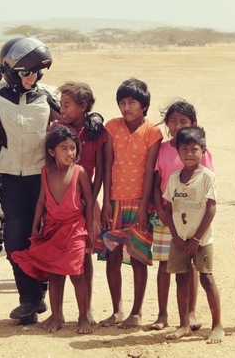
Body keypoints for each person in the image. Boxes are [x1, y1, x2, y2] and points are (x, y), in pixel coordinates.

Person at [0, 37, 102, 325]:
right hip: (11, 177)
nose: (34, 78)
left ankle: (39, 299)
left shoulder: (46, 95)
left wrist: (96, 118)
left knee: (45, 238)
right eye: (27, 72)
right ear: (10, 71)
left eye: (38, 72)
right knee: (15, 240)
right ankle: (30, 299)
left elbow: (74, 110)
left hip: (43, 178)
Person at [12, 124, 96, 334]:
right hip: (52, 230)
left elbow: (89, 202)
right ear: (51, 152)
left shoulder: (79, 172)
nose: (70, 153)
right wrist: (35, 227)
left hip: (75, 229)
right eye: (64, 148)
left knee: (77, 275)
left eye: (73, 148)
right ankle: (57, 317)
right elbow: (41, 200)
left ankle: (84, 317)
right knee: (55, 275)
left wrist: (90, 229)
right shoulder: (46, 172)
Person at [94, 78, 162, 328]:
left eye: (132, 102)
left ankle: (137, 312)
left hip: (140, 203)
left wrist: (144, 207)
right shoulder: (112, 127)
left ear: (144, 105)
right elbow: (108, 166)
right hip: (115, 202)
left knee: (138, 257)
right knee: (112, 255)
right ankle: (117, 310)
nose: (126, 108)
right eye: (122, 103)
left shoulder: (153, 132)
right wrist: (106, 202)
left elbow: (150, 170)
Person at [151, 100, 213, 330]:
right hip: (166, 215)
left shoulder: (200, 151)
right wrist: (160, 210)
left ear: (193, 124)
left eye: (183, 121)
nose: (177, 126)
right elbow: (157, 182)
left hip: (193, 218)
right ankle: (162, 314)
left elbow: (207, 186)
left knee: (191, 266)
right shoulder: (162, 149)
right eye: (173, 121)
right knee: (164, 264)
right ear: (167, 124)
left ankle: (191, 314)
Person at [49, 82, 106, 327]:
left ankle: (86, 310)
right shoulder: (57, 129)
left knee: (84, 256)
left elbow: (100, 170)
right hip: (58, 203)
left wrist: (91, 204)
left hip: (85, 202)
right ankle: (57, 313)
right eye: (61, 104)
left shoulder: (96, 132)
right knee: (56, 256)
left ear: (83, 107)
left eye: (67, 105)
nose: (62, 109)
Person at [163, 126, 224, 343]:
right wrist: (176, 237)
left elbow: (211, 209)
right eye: (184, 149)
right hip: (179, 240)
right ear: (177, 151)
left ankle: (217, 325)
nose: (189, 153)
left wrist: (196, 239)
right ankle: (183, 325)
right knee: (181, 279)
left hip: (202, 240)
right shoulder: (173, 179)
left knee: (206, 278)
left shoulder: (207, 177)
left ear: (203, 151)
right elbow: (168, 210)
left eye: (194, 149)